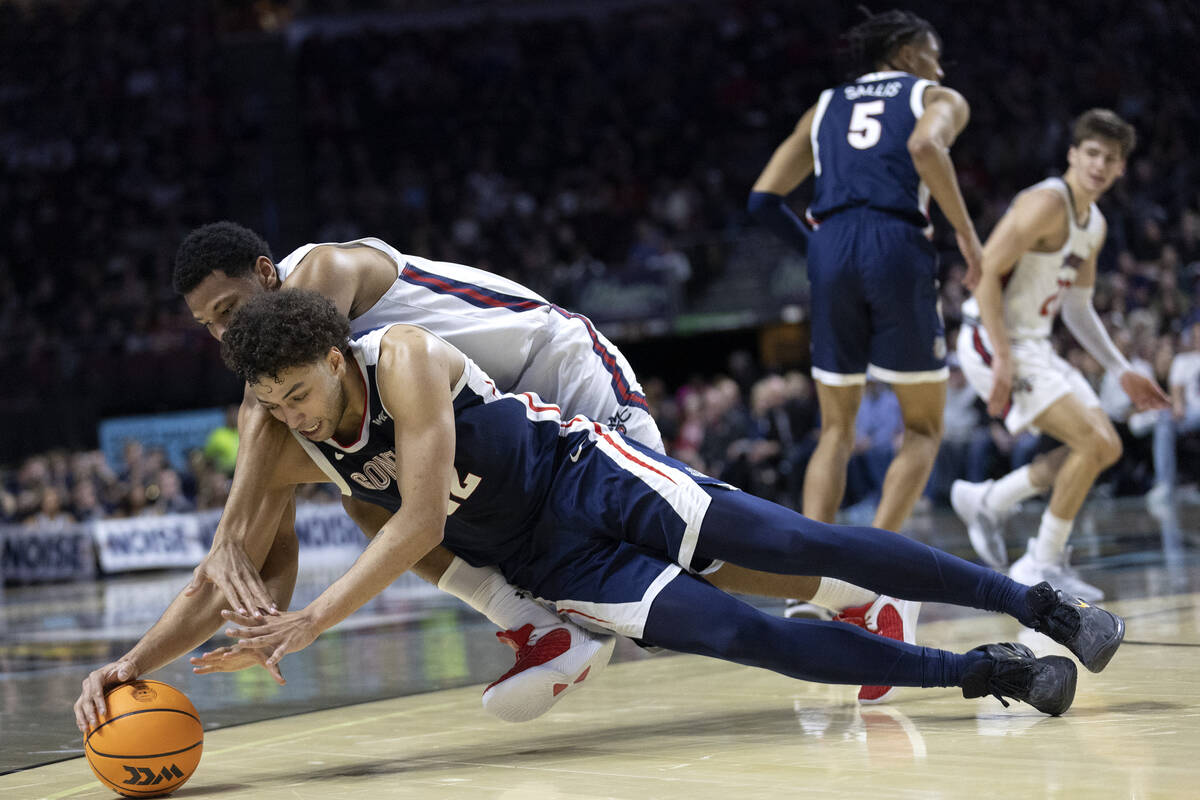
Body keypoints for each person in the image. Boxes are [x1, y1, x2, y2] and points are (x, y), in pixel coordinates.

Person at [71, 289, 1128, 734]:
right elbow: (230, 570)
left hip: (591, 472)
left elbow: (423, 507)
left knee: (797, 542)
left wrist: (316, 618)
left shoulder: (403, 359)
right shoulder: (279, 433)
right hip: (547, 555)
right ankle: (987, 672)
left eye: (303, 387)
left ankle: (1038, 603)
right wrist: (130, 665)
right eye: (278, 400)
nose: (297, 409)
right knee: (743, 634)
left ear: (336, 354)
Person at [170, 222, 896, 716]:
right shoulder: (290, 395)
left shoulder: (320, 275)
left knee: (681, 548)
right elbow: (271, 557)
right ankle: (543, 628)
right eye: (210, 325)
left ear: (268, 275)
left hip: (561, 368)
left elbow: (258, 414)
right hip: (506, 417)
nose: (226, 332)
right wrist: (137, 665)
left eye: (232, 308)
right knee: (367, 496)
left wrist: (229, 532)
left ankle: (854, 590)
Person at [747, 10, 983, 571]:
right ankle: (874, 571)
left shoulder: (823, 105)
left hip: (830, 244)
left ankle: (810, 576)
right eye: (933, 53)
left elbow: (761, 200)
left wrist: (819, 251)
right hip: (896, 241)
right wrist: (970, 241)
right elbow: (927, 148)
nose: (941, 66)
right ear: (905, 54)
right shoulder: (935, 96)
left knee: (835, 428)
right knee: (924, 427)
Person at [950, 109, 1169, 600]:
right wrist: (1002, 356)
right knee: (1091, 442)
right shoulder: (1047, 202)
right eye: (1091, 153)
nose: (1098, 164)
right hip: (992, 337)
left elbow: (1077, 305)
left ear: (1119, 170)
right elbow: (983, 273)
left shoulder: (1094, 224)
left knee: (1106, 445)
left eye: (1109, 159)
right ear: (1073, 154)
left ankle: (990, 499)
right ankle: (1039, 563)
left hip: (1034, 343)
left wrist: (1121, 368)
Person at [1149, 312, 1200, 505]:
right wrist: (1178, 405)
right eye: (1196, 336)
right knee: (1164, 418)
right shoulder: (1183, 361)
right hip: (1192, 413)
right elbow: (1176, 388)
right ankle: (1164, 483)